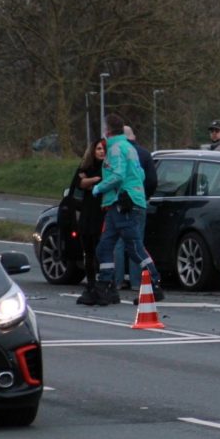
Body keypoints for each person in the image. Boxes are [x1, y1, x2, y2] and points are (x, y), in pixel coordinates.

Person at [90, 113, 165, 306]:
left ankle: (154, 283)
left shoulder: (115, 148)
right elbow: (140, 173)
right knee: (105, 246)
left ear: (108, 129)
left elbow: (118, 175)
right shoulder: (128, 147)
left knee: (133, 246)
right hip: (123, 203)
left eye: (103, 127)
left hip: (124, 204)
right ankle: (105, 286)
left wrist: (99, 188)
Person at [113, 126, 157, 291]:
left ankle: (117, 280)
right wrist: (145, 195)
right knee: (136, 241)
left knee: (119, 242)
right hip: (138, 201)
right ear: (134, 136)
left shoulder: (116, 153)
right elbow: (152, 180)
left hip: (120, 201)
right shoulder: (144, 154)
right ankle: (136, 282)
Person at [73, 139, 106, 305]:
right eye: (98, 149)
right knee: (88, 251)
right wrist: (95, 180)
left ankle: (104, 283)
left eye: (104, 149)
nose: (101, 151)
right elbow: (79, 183)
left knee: (101, 250)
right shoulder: (86, 167)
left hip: (102, 213)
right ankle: (91, 283)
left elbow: (104, 183)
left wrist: (90, 181)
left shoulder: (108, 167)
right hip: (87, 213)